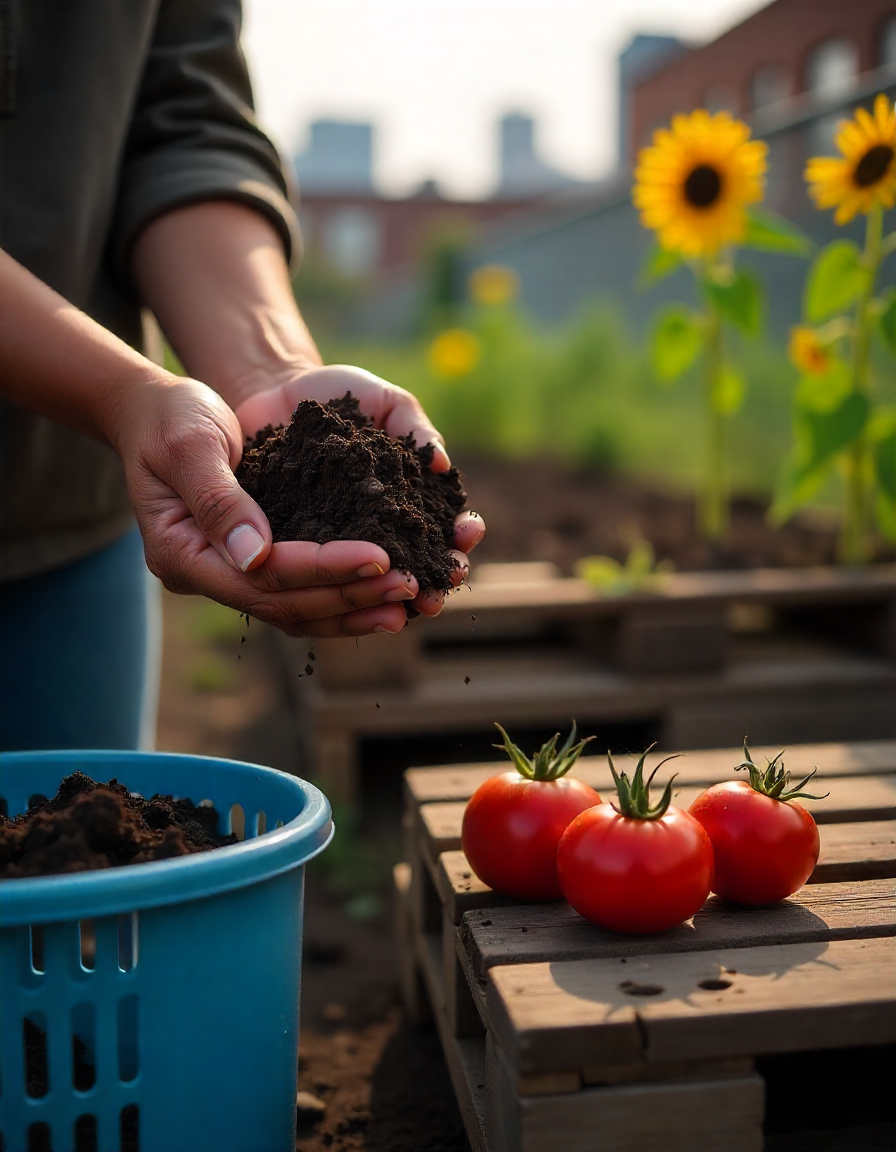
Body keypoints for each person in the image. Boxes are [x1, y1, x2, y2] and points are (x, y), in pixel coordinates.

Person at [0, 1, 484, 752]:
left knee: (82, 848)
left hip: (68, 520)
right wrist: (126, 396)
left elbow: (183, 123)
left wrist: (271, 374)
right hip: (100, 431)